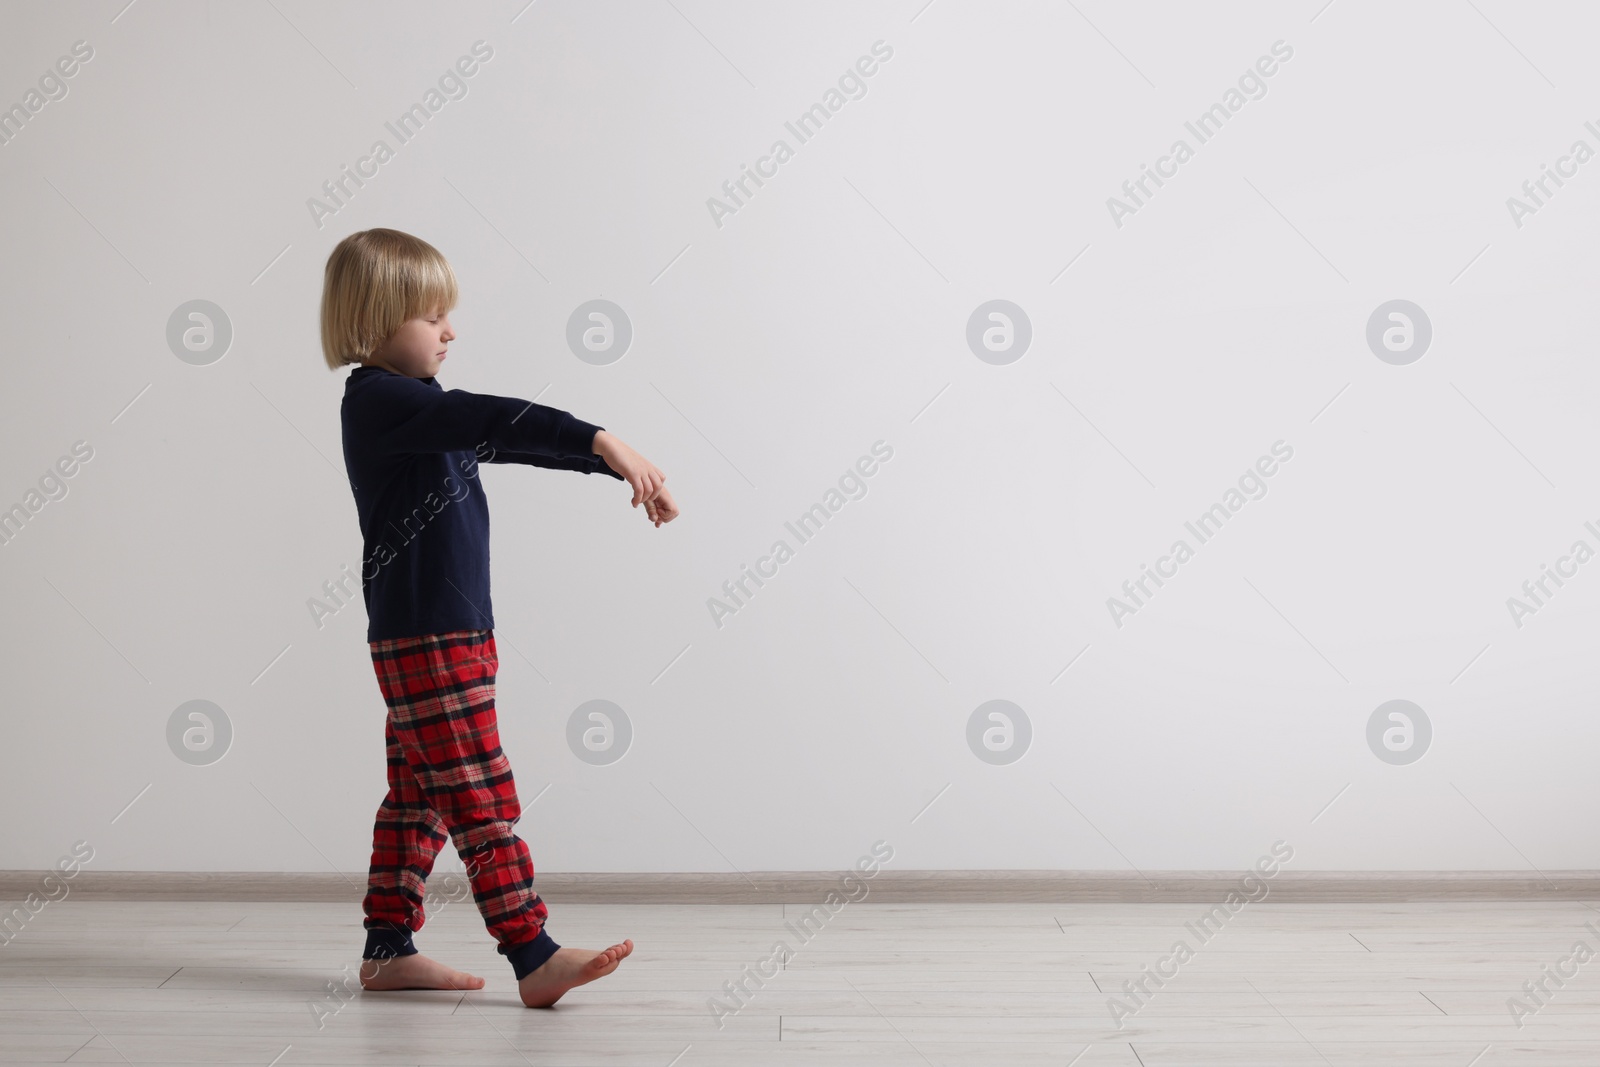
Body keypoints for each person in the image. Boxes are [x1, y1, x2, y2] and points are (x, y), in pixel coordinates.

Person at [321, 227, 678, 1007]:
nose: (450, 331)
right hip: (427, 634)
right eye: (431, 316)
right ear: (378, 320)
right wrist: (601, 435)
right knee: (479, 792)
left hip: (446, 631)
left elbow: (502, 438)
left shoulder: (418, 411)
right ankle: (531, 949)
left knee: (418, 795)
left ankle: (387, 948)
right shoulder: (383, 401)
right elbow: (498, 419)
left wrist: (604, 459)